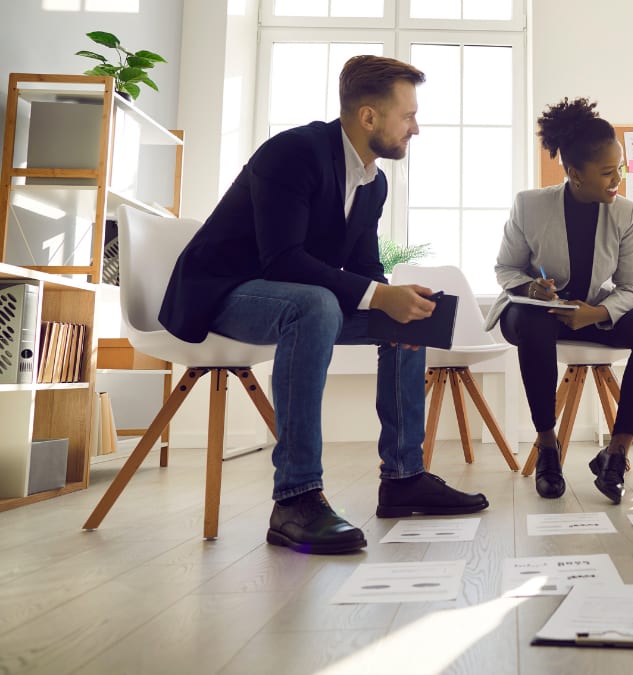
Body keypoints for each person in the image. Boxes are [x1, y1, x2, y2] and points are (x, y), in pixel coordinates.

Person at [158, 56, 488, 555]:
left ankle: (403, 478)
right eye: (408, 116)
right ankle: (295, 498)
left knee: (408, 317)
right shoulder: (293, 153)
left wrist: (393, 302)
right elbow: (283, 260)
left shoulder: (373, 181)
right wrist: (379, 295)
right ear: (369, 117)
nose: (415, 129)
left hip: (291, 294)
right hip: (223, 291)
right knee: (315, 305)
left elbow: (363, 266)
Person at [484, 97, 633, 505]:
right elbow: (505, 269)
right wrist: (532, 289)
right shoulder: (530, 206)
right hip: (531, 312)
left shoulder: (625, 213)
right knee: (533, 325)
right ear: (574, 174)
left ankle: (616, 453)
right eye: (607, 172)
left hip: (590, 310)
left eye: (619, 168)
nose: (617, 178)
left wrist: (598, 313)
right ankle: (548, 445)